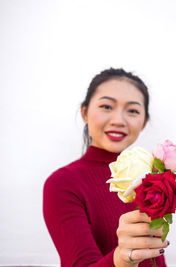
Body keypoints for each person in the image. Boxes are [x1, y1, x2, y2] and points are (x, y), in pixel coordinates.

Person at [43, 68, 169, 267]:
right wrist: (122, 258)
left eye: (133, 110)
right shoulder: (62, 183)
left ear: (144, 122)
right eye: (106, 106)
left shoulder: (154, 176)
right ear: (84, 113)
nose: (118, 120)